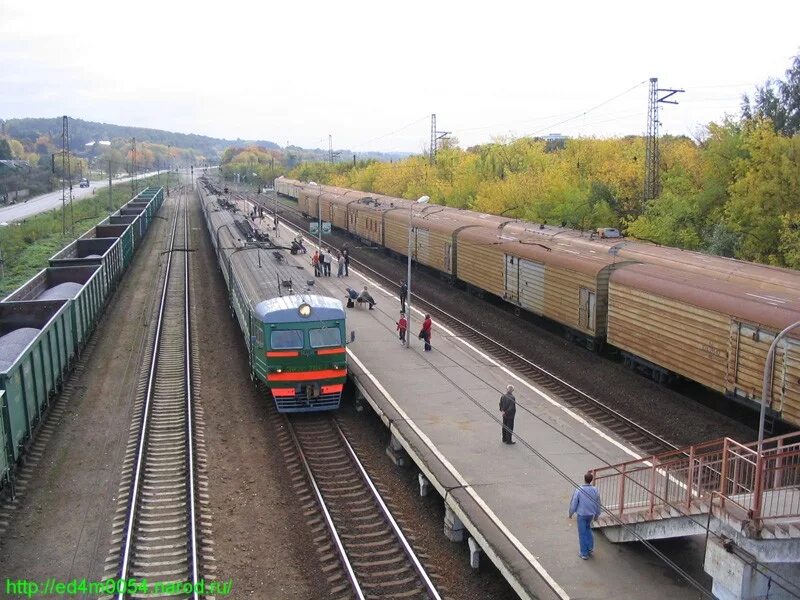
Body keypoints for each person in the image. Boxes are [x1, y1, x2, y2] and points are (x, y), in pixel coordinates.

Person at [569, 473, 602, 560]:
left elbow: (574, 502)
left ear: (584, 479)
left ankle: (584, 553)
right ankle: (590, 548)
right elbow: (598, 503)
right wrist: (597, 514)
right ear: (591, 480)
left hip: (582, 514)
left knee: (582, 533)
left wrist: (571, 513)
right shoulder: (595, 490)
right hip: (591, 514)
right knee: (588, 529)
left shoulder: (579, 489)